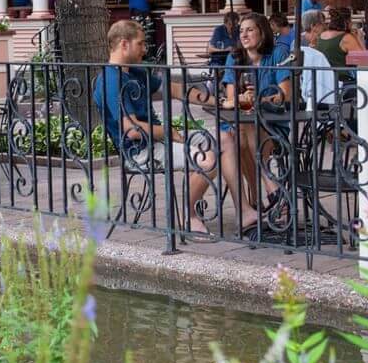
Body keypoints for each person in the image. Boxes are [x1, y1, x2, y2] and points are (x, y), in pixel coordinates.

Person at [92, 20, 219, 235]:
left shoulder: (133, 71)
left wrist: (215, 100)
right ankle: (187, 214)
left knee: (221, 142)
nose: (145, 49)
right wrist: (169, 133)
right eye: (140, 44)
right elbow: (131, 130)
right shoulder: (111, 80)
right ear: (124, 44)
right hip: (140, 150)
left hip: (157, 139)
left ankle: (246, 210)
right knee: (208, 161)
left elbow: (175, 89)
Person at [218, 13, 292, 233]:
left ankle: (252, 204)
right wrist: (242, 99)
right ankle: (272, 192)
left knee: (239, 135)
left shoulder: (277, 53)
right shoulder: (235, 57)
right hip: (242, 124)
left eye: (250, 29)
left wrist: (261, 98)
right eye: (241, 31)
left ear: (262, 31)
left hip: (272, 124)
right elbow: (232, 99)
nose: (244, 34)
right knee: (231, 137)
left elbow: (285, 95)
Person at [316, 6, 363, 81]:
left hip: (323, 79)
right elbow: (363, 59)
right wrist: (359, 38)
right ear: (347, 21)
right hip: (341, 81)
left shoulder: (322, 35)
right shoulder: (346, 38)